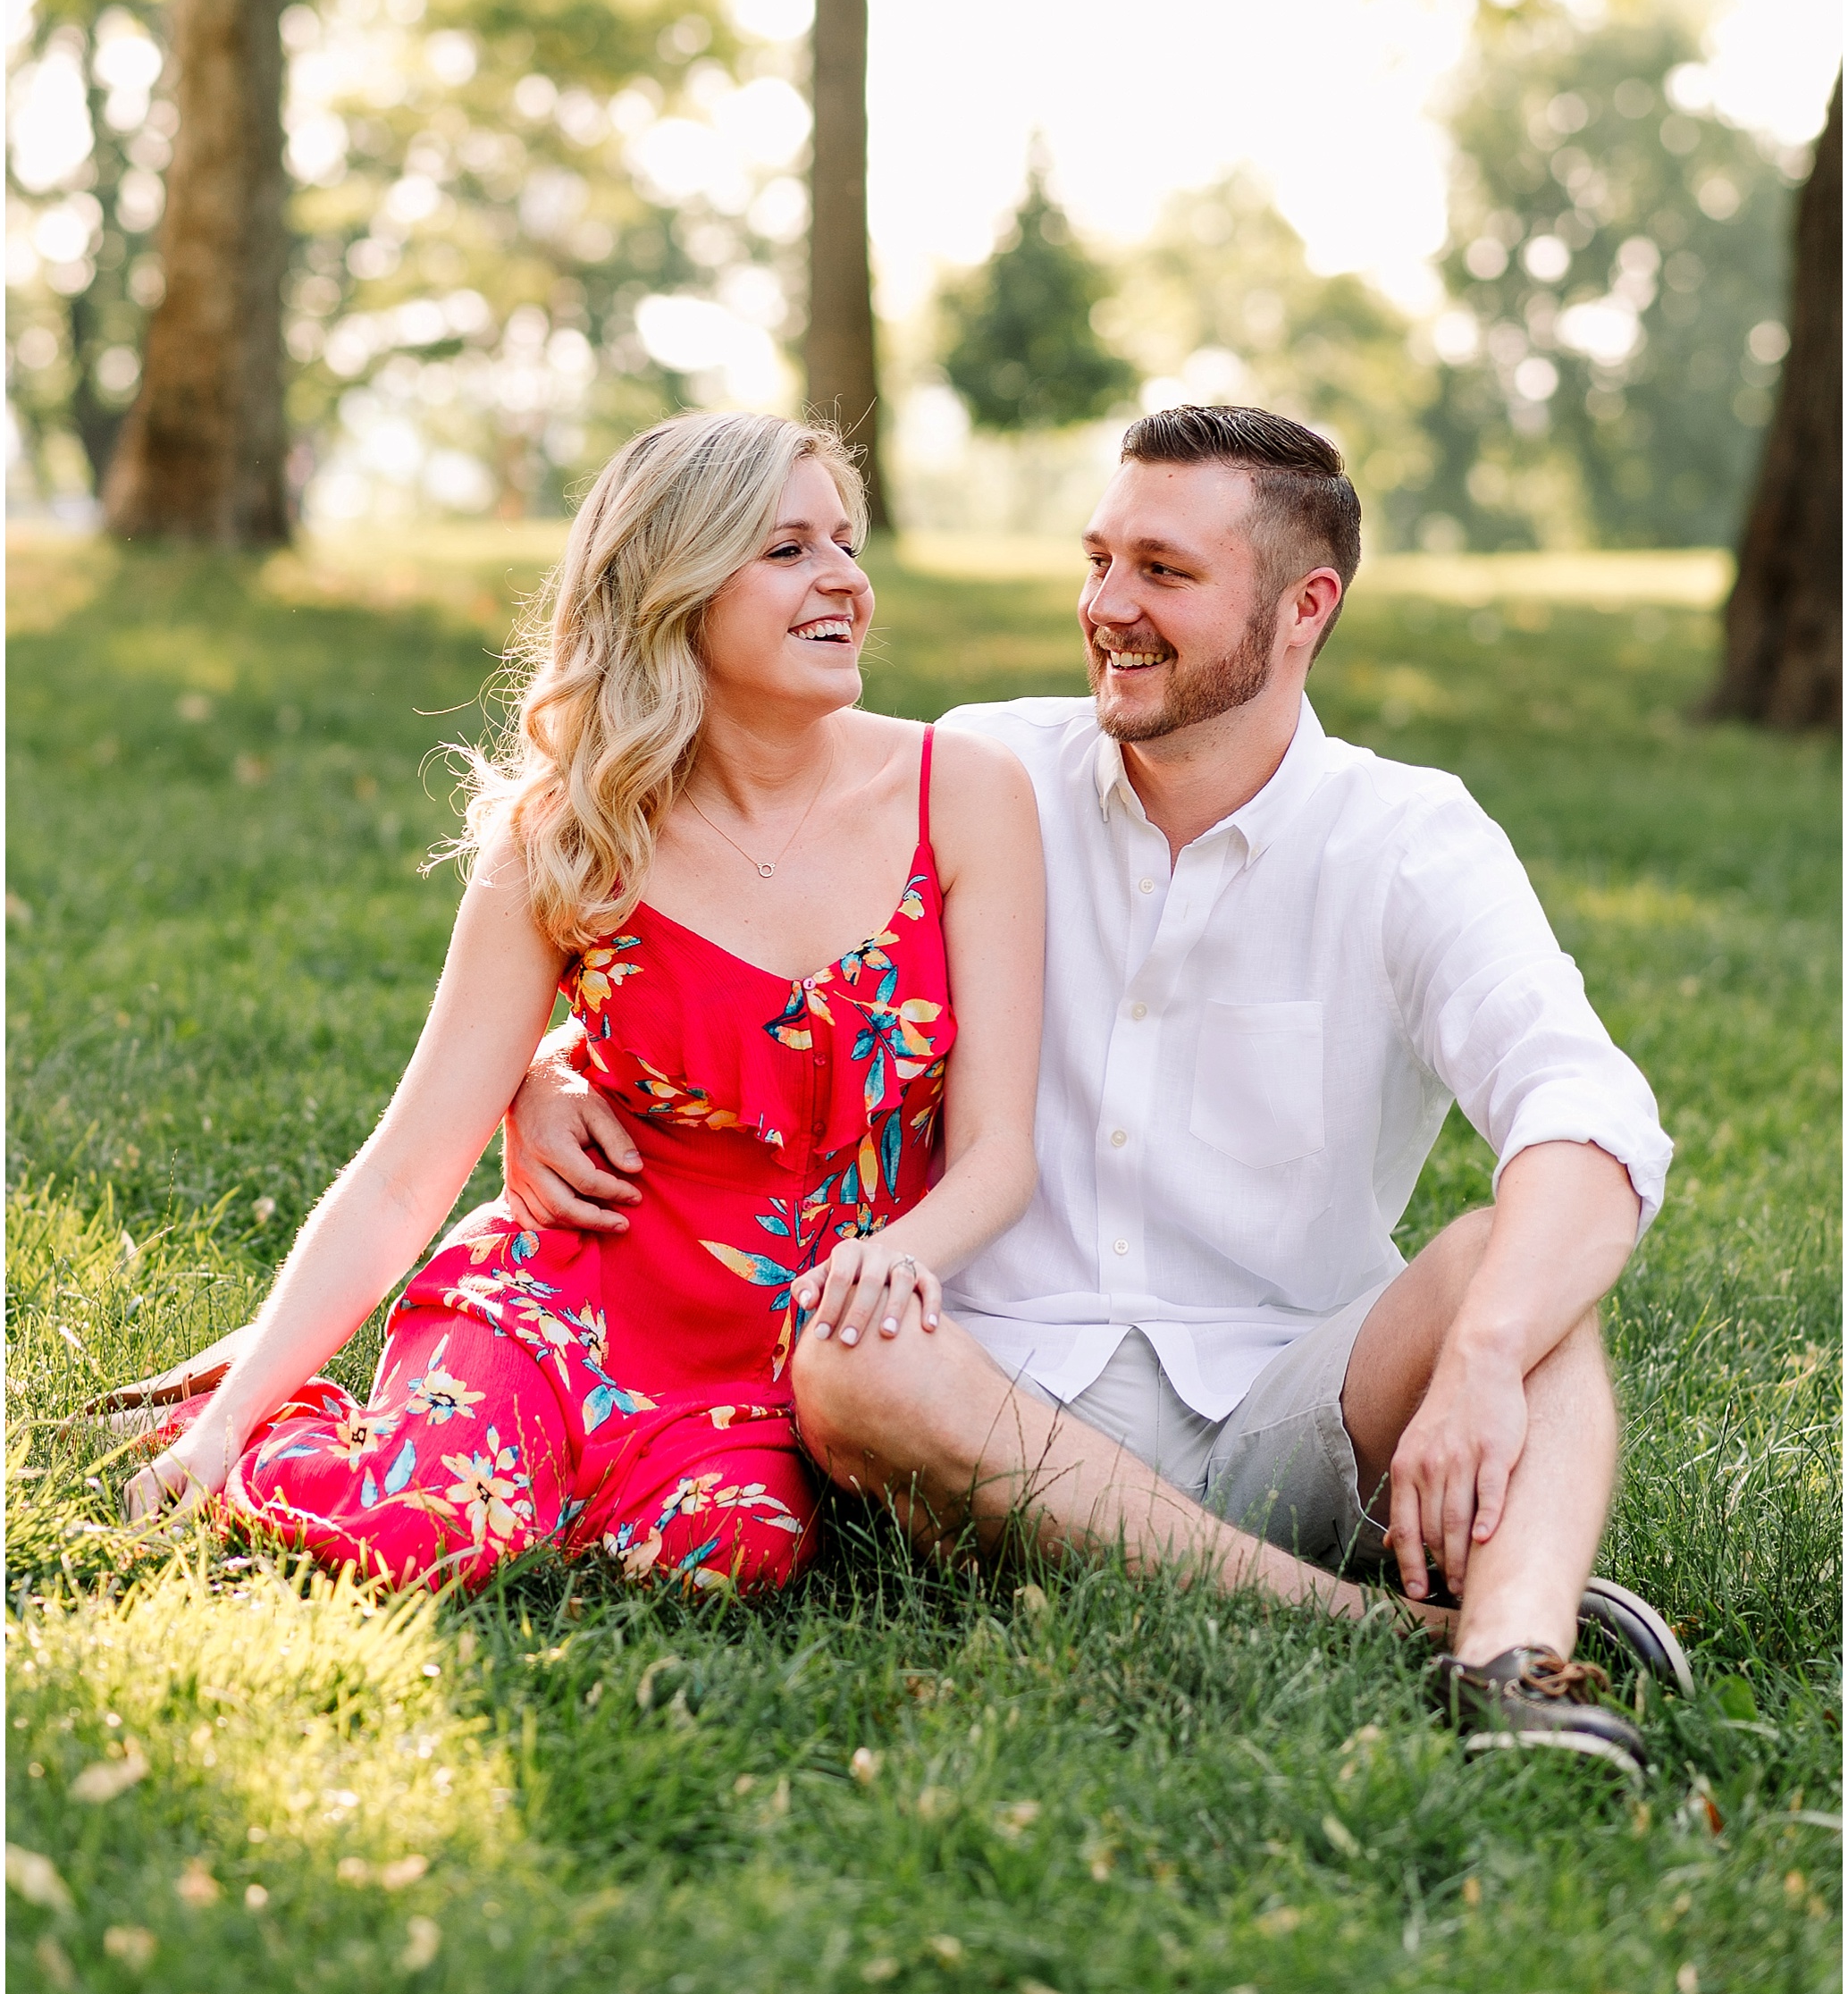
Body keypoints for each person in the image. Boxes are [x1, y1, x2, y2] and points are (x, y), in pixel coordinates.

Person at [506, 406, 1681, 1769]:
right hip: (987, 1395)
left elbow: (1589, 1117)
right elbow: (758, 962)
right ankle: (1383, 1633)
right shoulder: (982, 770)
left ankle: (1517, 1665)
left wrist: (1478, 1352)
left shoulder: (1406, 840)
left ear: (1306, 607)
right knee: (843, 1354)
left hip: (1295, 1406)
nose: (1107, 606)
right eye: (1100, 558)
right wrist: (550, 1068)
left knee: (1523, 1272)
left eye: (1165, 573)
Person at [122, 412, 1050, 1593]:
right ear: (677, 587)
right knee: (433, 1536)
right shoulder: (568, 837)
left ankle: (493, 1466)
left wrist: (896, 1261)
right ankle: (254, 1412)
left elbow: (999, 1154)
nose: (845, 581)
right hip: (568, 1298)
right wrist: (222, 1431)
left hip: (779, 1360)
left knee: (725, 1558)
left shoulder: (961, 794)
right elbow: (410, 1164)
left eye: (847, 544)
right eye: (787, 550)